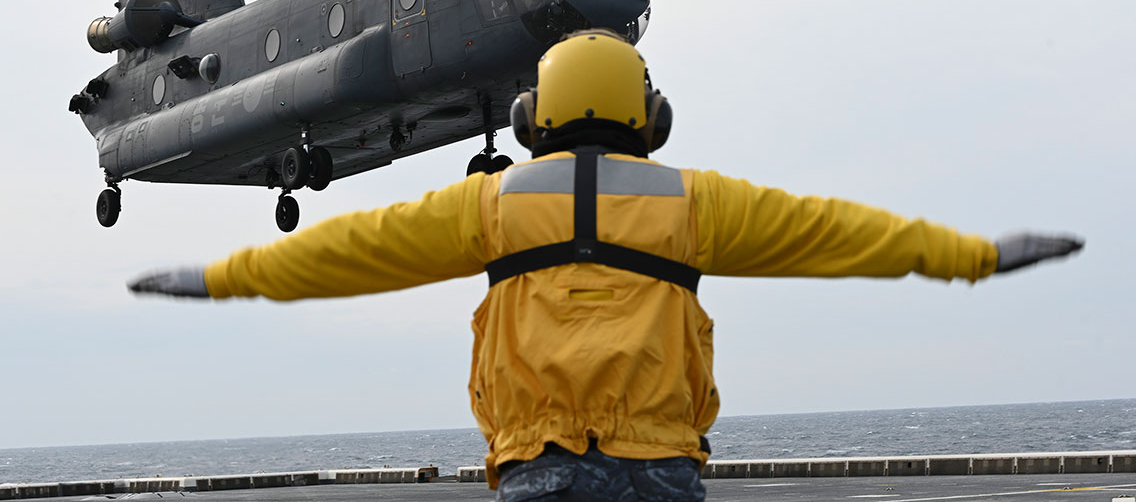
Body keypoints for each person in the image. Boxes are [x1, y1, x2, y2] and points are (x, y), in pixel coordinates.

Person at [129, 29, 1083, 502]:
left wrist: (224, 276)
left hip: (538, 469)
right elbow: (840, 234)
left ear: (531, 120)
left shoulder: (492, 205)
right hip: (659, 468)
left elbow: (353, 253)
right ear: (648, 117)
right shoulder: (696, 203)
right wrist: (975, 258)